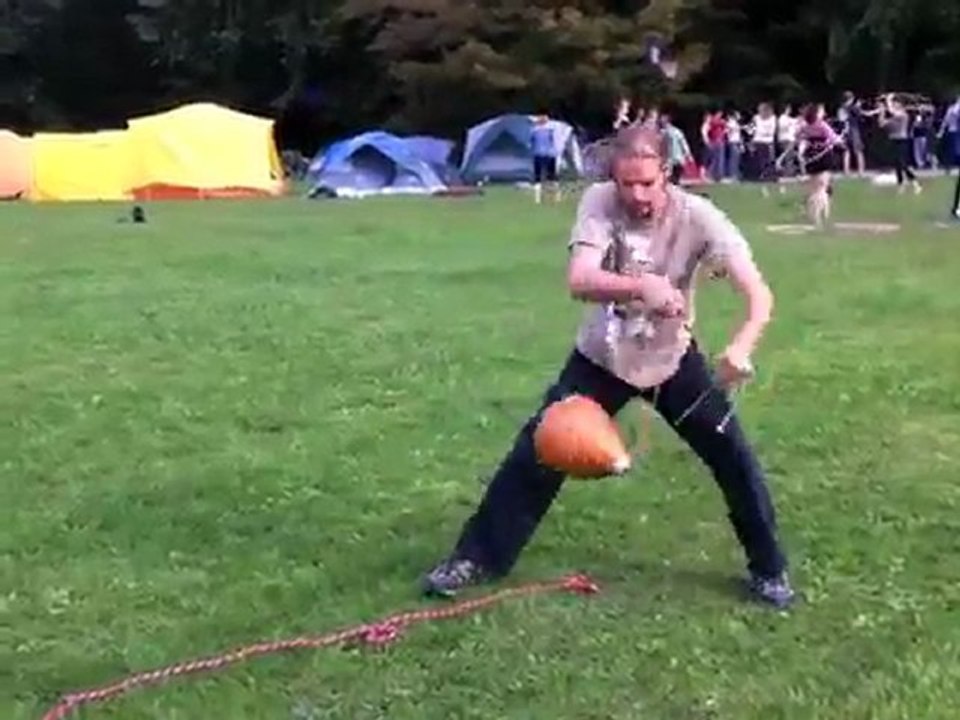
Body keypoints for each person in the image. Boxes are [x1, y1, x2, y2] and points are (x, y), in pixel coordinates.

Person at [421, 124, 796, 610]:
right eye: (626, 183)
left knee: (734, 459)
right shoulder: (599, 202)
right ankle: (475, 558)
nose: (636, 195)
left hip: (671, 360)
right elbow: (579, 279)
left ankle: (769, 570)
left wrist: (741, 347)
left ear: (667, 172)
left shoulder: (700, 217)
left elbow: (759, 295)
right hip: (601, 358)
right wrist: (642, 288)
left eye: (647, 183)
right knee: (538, 451)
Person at [797, 103, 845, 228]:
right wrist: (840, 141)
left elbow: (799, 137)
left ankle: (816, 216)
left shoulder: (805, 126)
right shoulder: (822, 125)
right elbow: (834, 139)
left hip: (811, 157)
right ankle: (819, 216)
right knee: (822, 188)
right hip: (823, 157)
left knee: (814, 188)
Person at [879, 94, 922, 194]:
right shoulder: (894, 117)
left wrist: (888, 99)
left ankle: (916, 183)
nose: (894, 105)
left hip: (902, 140)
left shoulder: (903, 115)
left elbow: (892, 111)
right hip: (893, 140)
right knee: (897, 164)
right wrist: (881, 111)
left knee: (903, 164)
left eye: (896, 103)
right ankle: (901, 185)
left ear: (901, 105)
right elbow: (881, 124)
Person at [531, 114, 561, 204]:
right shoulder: (550, 131)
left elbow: (531, 143)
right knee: (552, 176)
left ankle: (538, 199)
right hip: (550, 155)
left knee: (537, 177)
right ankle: (556, 197)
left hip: (538, 154)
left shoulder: (533, 131)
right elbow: (553, 142)